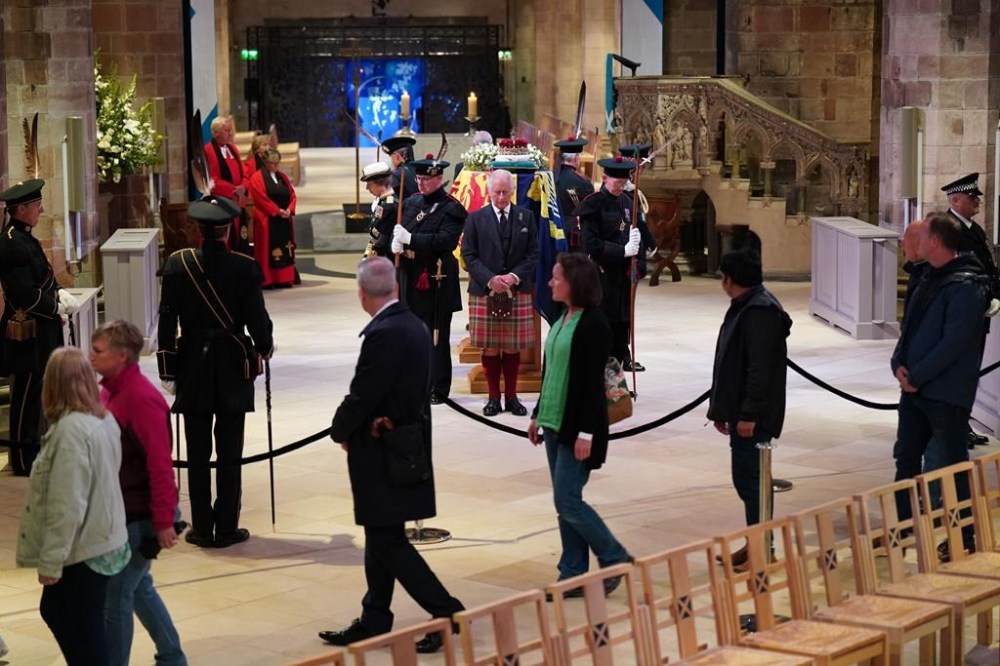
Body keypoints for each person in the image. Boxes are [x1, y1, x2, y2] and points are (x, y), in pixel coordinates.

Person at [320, 257, 464, 654]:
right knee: (382, 533)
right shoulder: (411, 324)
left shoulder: (385, 332)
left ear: (362, 294)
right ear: (396, 289)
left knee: (387, 541)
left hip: (385, 449)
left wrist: (340, 429)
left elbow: (364, 392)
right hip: (401, 443)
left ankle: (448, 613)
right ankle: (374, 618)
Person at [156, 197, 274, 548]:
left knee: (196, 451)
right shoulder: (244, 266)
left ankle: (202, 527)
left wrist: (168, 368)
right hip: (231, 364)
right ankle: (226, 526)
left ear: (197, 228)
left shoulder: (179, 264)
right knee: (229, 449)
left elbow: (166, 321)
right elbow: (259, 322)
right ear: (228, 228)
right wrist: (264, 348)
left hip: (192, 362)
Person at [527, 253, 633, 597]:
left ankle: (614, 557)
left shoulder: (594, 324)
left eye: (556, 278)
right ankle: (573, 572)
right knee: (564, 500)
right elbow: (551, 371)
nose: (550, 282)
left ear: (575, 284)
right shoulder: (561, 318)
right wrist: (537, 414)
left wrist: (587, 431)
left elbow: (591, 384)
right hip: (554, 420)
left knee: (568, 500)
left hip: (579, 427)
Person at [16, 346, 128, 666]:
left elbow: (66, 505)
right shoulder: (102, 419)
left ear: (52, 384)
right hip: (101, 540)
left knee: (85, 628)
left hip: (84, 549)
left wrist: (50, 562)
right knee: (59, 612)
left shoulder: (70, 433)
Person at [890, 212, 990, 556]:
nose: (914, 242)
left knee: (951, 466)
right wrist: (898, 363)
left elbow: (953, 343)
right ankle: (902, 534)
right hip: (915, 390)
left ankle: (963, 538)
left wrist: (916, 376)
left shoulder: (967, 284)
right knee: (905, 459)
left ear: (934, 241)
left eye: (921, 236)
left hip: (946, 393)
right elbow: (911, 326)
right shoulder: (927, 276)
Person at [92, 320, 187, 666]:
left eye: (98, 351)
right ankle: (173, 658)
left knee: (115, 599)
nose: (91, 357)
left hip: (141, 515)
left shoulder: (141, 398)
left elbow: (160, 465)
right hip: (125, 510)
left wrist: (163, 521)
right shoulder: (111, 389)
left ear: (121, 356)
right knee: (139, 589)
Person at [707, 248, 792, 569]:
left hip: (754, 416)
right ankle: (755, 542)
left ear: (729, 280)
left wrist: (748, 414)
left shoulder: (758, 311)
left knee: (752, 481)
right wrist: (722, 410)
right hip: (740, 410)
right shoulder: (748, 305)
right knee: (747, 479)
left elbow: (759, 369)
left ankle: (763, 549)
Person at [0, 179, 77, 476]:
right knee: (26, 394)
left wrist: (58, 291)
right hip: (27, 330)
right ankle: (21, 458)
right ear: (21, 209)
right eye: (37, 205)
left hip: (42, 328)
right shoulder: (9, 243)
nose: (42, 209)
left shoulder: (24, 238)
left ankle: (35, 447)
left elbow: (43, 275)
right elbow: (24, 294)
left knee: (40, 391)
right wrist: (54, 306)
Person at [461, 169, 539, 416]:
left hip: (517, 289)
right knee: (491, 348)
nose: (502, 197)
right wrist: (490, 279)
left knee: (513, 347)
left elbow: (533, 253)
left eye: (506, 192)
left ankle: (512, 398)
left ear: (513, 191)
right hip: (485, 290)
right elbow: (468, 255)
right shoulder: (475, 219)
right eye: (497, 192)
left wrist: (513, 277)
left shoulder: (526, 217)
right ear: (488, 190)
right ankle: (493, 397)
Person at [391, 155, 467, 403]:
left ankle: (438, 387)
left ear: (439, 179)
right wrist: (397, 243)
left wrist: (410, 239)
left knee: (436, 337)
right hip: (411, 278)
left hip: (436, 279)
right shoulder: (412, 203)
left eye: (426, 179)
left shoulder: (452, 208)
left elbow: (444, 241)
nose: (421, 183)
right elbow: (404, 229)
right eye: (419, 178)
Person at [942, 172, 997, 448]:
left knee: (969, 372)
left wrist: (994, 295)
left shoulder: (974, 230)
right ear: (956, 199)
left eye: (977, 197)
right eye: (972, 197)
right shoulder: (947, 230)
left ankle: (963, 423)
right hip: (960, 316)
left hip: (978, 313)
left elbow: (987, 267)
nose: (977, 201)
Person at [576, 157, 642, 370]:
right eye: (617, 183)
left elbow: (629, 232)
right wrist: (622, 250)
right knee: (603, 329)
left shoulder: (627, 202)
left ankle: (616, 383)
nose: (620, 187)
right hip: (602, 277)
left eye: (624, 184)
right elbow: (591, 245)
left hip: (622, 278)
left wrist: (635, 245)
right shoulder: (592, 204)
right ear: (604, 178)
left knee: (622, 329)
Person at [247, 148, 297, 288]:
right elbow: (260, 198)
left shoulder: (282, 177)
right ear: (265, 162)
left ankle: (285, 278)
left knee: (285, 248)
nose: (275, 166)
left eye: (277, 163)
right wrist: (277, 211)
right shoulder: (257, 177)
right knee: (267, 250)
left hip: (283, 219)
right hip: (267, 219)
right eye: (272, 163)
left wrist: (289, 209)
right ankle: (269, 279)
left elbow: (292, 194)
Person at [203, 115, 249, 252]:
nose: (230, 133)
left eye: (230, 130)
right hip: (223, 203)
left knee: (241, 240)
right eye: (226, 130)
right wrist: (234, 191)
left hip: (239, 201)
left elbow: (244, 172)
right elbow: (212, 180)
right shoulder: (208, 151)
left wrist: (244, 187)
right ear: (215, 132)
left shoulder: (233, 149)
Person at [553, 137, 594, 252]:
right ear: (576, 158)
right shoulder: (582, 182)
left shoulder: (551, 177)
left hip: (553, 229)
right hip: (573, 233)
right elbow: (590, 210)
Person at [360, 161, 398, 259]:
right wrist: (366, 255)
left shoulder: (390, 206)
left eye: (369, 184)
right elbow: (374, 237)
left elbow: (382, 240)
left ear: (380, 182)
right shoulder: (383, 202)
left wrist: (369, 257)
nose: (367, 188)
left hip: (385, 258)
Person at [382, 136, 418, 200]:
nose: (392, 161)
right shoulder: (420, 169)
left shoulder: (397, 174)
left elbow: (390, 197)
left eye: (391, 157)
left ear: (397, 156)